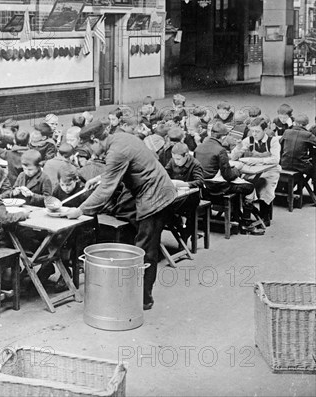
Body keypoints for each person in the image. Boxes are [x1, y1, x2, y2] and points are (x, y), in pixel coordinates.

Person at [66, 121, 178, 311]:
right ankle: (134, 290)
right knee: (138, 238)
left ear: (95, 140)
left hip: (155, 197)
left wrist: (80, 210)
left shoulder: (116, 151)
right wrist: (98, 178)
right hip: (154, 190)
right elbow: (116, 171)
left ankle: (143, 299)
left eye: (89, 147)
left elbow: (105, 192)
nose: (92, 154)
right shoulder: (121, 138)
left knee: (145, 250)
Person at [194, 122, 261, 234]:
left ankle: (236, 216)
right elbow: (228, 176)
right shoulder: (220, 150)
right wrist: (236, 170)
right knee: (249, 187)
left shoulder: (199, 147)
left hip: (203, 187)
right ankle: (246, 223)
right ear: (224, 136)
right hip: (217, 187)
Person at [231, 116, 281, 226]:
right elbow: (233, 158)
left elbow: (276, 159)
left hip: (270, 170)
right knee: (243, 184)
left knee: (265, 186)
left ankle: (264, 216)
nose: (254, 134)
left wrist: (256, 160)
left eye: (257, 131)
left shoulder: (273, 141)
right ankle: (246, 215)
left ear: (264, 130)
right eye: (252, 131)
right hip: (251, 171)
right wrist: (239, 148)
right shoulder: (248, 140)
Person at [165, 143, 204, 243]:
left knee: (182, 208)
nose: (176, 162)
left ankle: (185, 233)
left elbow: (199, 182)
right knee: (166, 207)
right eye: (174, 159)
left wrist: (184, 184)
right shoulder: (172, 161)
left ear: (186, 155)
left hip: (191, 195)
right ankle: (178, 226)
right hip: (176, 192)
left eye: (178, 159)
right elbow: (165, 173)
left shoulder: (195, 164)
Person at [279, 114, 316, 187]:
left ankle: (297, 190)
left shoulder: (287, 132)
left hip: (284, 164)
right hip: (300, 166)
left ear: (295, 123)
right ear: (306, 125)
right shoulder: (308, 135)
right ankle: (312, 193)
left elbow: (280, 144)